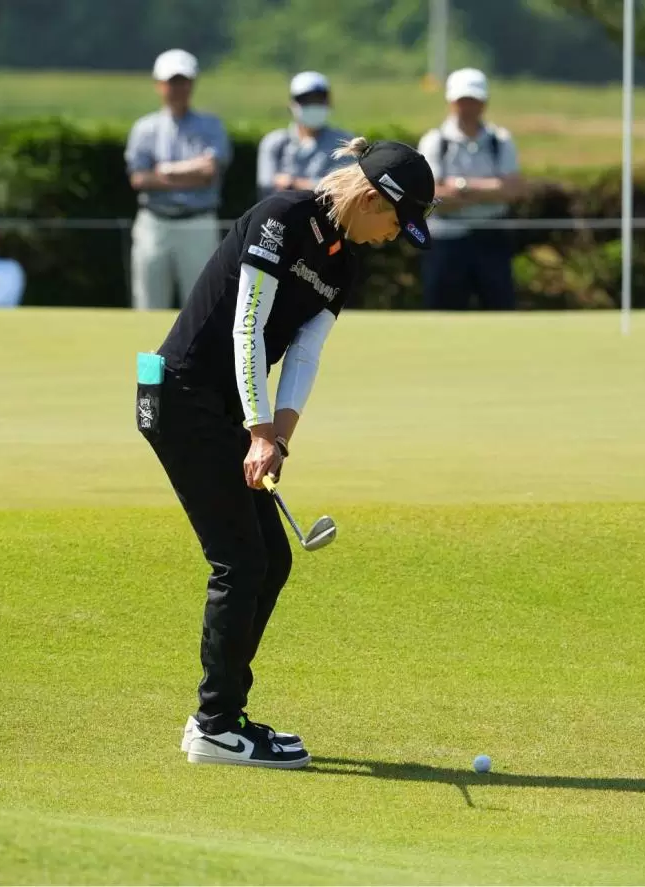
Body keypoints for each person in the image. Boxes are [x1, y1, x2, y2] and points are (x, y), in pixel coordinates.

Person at [137, 138, 436, 769]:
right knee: (240, 561)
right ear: (371, 196)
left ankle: (223, 716)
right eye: (393, 222)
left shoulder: (345, 266)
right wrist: (259, 430)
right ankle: (215, 728)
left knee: (271, 559)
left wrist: (279, 437)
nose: (391, 237)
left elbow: (302, 356)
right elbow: (249, 325)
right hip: (182, 396)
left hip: (228, 413)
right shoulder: (281, 218)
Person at [125, 49, 232, 311]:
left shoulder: (210, 125)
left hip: (198, 221)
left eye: (183, 81)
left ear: (192, 84)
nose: (178, 88)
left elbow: (210, 172)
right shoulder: (144, 128)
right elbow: (139, 178)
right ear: (158, 85)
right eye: (172, 82)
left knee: (202, 306)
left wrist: (166, 172)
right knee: (149, 303)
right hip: (154, 223)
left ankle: (196, 355)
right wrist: (190, 173)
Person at [418, 67, 526, 311]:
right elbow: (432, 195)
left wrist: (461, 188)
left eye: (473, 100)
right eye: (462, 100)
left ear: (484, 102)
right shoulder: (435, 140)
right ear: (451, 102)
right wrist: (490, 190)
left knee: (500, 311)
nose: (468, 107)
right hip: (446, 240)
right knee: (442, 314)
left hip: (491, 238)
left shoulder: (500, 140)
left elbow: (513, 190)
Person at [256, 71, 353, 200]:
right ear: (292, 104)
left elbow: (343, 187)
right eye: (306, 101)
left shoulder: (344, 142)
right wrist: (315, 185)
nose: (313, 105)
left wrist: (293, 183)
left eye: (318, 100)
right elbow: (266, 184)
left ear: (329, 103)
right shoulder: (274, 142)